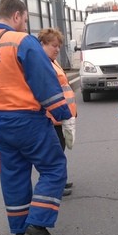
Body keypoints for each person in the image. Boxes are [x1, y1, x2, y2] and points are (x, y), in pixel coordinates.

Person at [0, 0, 74, 235]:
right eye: (25, 19)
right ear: (16, 16)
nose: (25, 25)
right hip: (28, 120)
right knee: (54, 167)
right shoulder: (22, 42)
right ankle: (38, 223)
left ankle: (19, 229)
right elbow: (43, 80)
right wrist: (63, 114)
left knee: (13, 174)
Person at [38, 28, 78, 197]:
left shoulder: (52, 61)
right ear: (42, 44)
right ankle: (55, 187)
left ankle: (60, 181)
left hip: (60, 116)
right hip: (51, 117)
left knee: (59, 151)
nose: (57, 49)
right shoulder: (42, 64)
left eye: (58, 47)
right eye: (53, 45)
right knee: (54, 155)